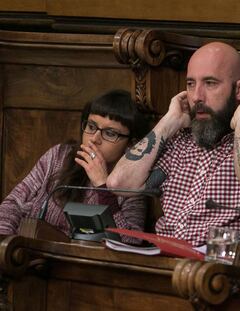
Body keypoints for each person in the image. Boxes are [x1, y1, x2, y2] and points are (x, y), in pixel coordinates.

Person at [107, 42, 240, 253]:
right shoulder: (179, 142)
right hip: (164, 262)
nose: (197, 96)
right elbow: (119, 183)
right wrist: (168, 123)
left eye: (210, 83)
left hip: (227, 270)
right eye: (190, 84)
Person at [0, 89, 150, 244]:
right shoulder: (59, 155)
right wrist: (6, 248)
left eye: (110, 133)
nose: (94, 138)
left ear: (131, 144)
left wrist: (102, 186)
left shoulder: (133, 184)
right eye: (91, 127)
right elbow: (13, 204)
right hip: (28, 255)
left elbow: (131, 242)